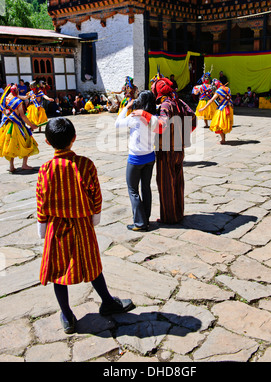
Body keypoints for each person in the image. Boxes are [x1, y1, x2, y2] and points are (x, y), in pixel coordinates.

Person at [36, 117, 134, 334]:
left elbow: (41, 201)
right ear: (74, 139)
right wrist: (94, 216)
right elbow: (95, 194)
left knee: (58, 271)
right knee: (91, 264)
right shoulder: (85, 164)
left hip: (56, 228)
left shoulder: (46, 169)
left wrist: (42, 225)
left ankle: (67, 315)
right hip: (82, 225)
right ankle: (107, 301)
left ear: (47, 142)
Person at [147, 77, 197, 224]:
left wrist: (146, 118)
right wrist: (183, 134)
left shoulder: (165, 106)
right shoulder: (178, 101)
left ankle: (169, 217)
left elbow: (162, 123)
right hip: (179, 148)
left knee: (166, 184)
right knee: (178, 182)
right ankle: (178, 213)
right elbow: (193, 118)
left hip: (166, 150)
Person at [115, 91, 158, 232]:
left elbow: (118, 124)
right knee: (146, 187)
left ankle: (140, 223)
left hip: (136, 158)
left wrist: (126, 107)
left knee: (133, 189)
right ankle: (145, 217)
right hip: (150, 157)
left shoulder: (134, 117)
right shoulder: (154, 117)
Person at [0, 84, 39, 172]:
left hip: (6, 125)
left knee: (10, 145)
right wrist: (32, 125)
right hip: (17, 125)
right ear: (16, 91)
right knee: (28, 141)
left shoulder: (4, 99)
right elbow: (23, 116)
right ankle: (24, 164)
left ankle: (11, 166)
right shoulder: (17, 101)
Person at [198, 78, 233, 145]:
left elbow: (211, 100)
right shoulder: (228, 89)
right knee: (224, 124)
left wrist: (203, 108)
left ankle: (223, 140)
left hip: (222, 109)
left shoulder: (219, 91)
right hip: (229, 108)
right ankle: (223, 139)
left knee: (219, 125)